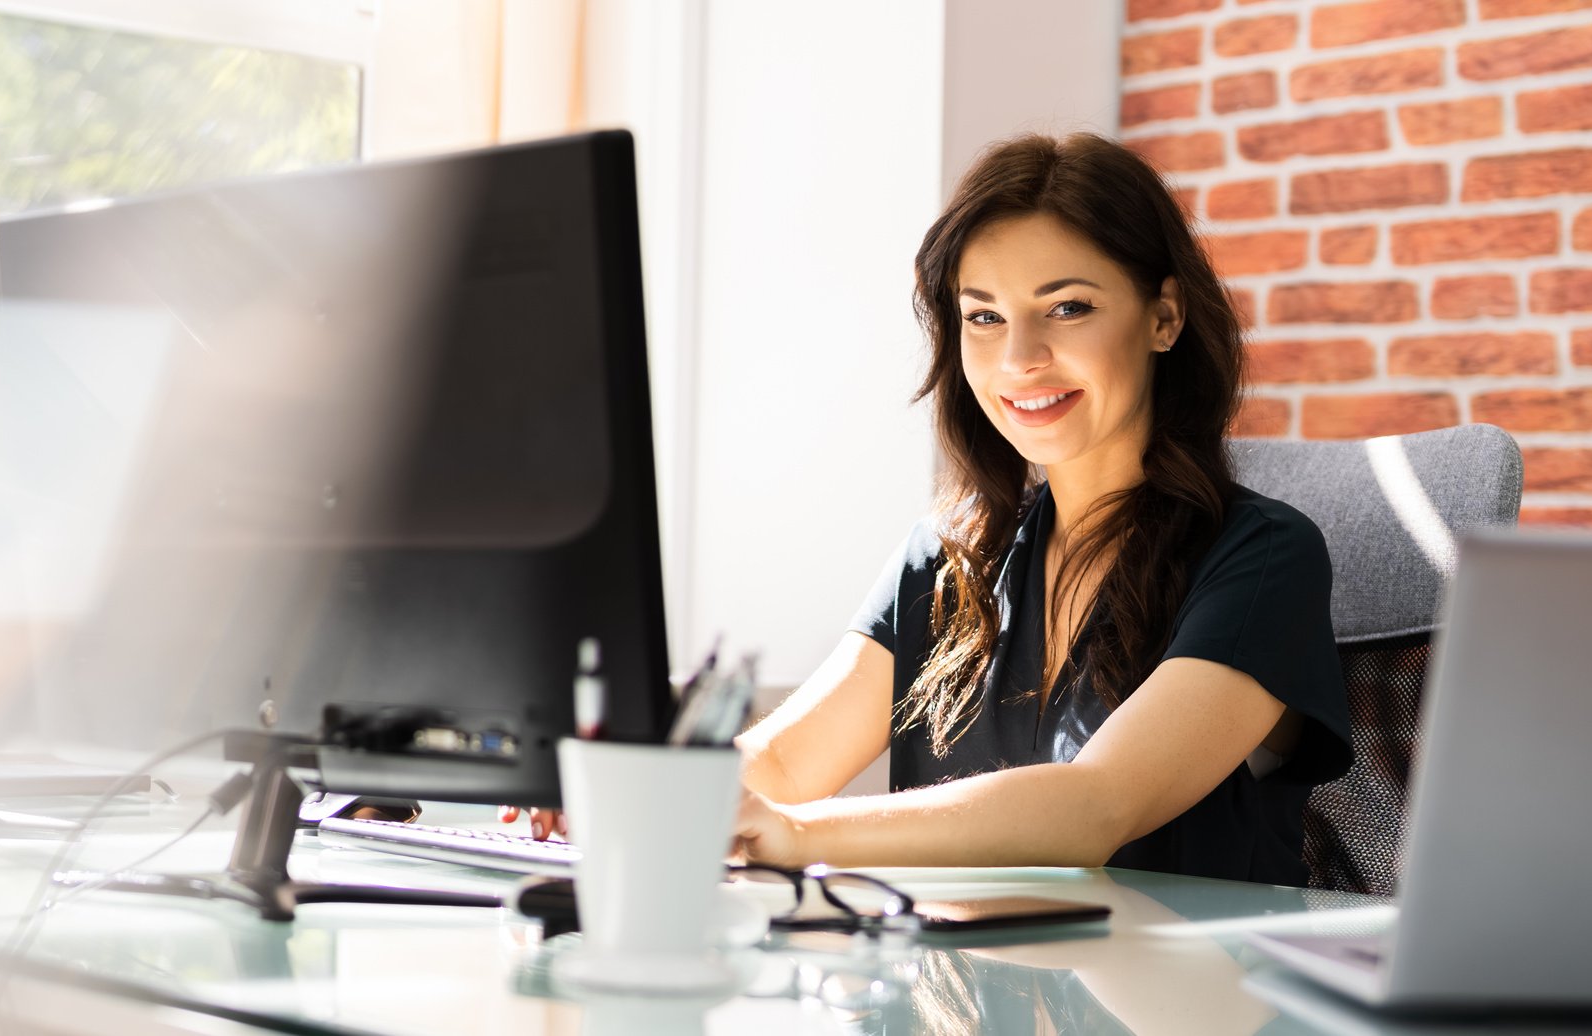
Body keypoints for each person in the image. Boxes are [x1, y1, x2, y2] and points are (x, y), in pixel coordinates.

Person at [511, 132, 1352, 886]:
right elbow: (780, 762)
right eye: (983, 317)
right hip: (958, 1000)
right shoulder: (947, 558)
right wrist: (625, 796)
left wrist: (797, 833)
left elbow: (1097, 807)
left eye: (1067, 308)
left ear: (1163, 316)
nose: (1019, 358)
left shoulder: (1265, 558)